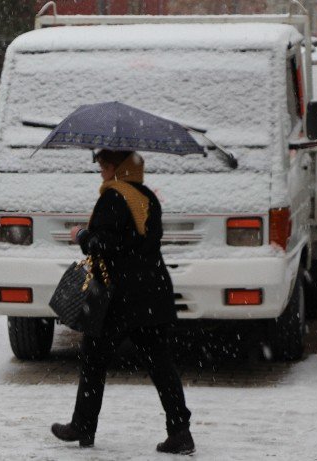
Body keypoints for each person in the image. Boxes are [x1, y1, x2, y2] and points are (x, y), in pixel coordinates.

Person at [50, 149, 194, 455]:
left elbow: (103, 245)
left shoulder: (114, 197)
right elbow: (141, 242)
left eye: (106, 165)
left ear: (119, 167)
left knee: (93, 360)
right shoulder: (146, 197)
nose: (101, 170)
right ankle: (180, 431)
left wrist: (82, 235)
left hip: (119, 297)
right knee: (161, 364)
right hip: (152, 292)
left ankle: (83, 426)